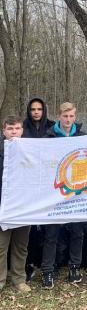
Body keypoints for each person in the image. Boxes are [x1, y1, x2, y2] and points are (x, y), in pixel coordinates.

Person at [41, 102, 86, 289]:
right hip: (55, 192)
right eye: (65, 116)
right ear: (59, 116)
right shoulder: (48, 136)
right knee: (51, 233)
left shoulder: (83, 136)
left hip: (76, 192)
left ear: (75, 116)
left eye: (71, 116)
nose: (68, 120)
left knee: (77, 231)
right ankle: (48, 271)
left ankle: (74, 266)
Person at [22, 97, 55, 282]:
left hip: (49, 183)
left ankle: (50, 264)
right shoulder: (23, 128)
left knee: (50, 228)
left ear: (44, 110)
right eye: (33, 109)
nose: (36, 112)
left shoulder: (52, 127)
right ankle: (29, 263)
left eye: (39, 109)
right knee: (30, 228)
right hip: (28, 184)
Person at [0, 116, 31, 292]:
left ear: (22, 130)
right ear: (4, 131)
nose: (14, 132)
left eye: (17, 128)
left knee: (20, 246)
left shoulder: (29, 151)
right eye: (10, 128)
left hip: (23, 207)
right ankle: (0, 280)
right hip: (3, 207)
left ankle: (19, 280)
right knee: (1, 247)